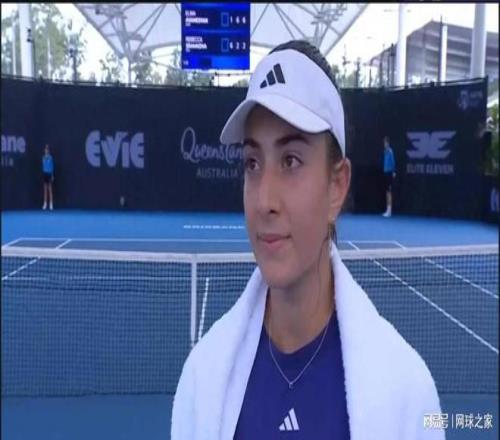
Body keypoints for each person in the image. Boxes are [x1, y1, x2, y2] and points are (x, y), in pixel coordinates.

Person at [171, 40, 444, 439]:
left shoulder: (409, 392)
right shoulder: (201, 378)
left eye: (291, 161)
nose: (264, 201)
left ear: (337, 186)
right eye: (252, 163)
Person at [382, 135, 396, 217]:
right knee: (387, 192)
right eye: (384, 143)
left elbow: (393, 163)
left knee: (389, 192)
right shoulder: (385, 152)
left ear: (388, 143)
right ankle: (387, 209)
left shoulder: (390, 152)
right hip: (385, 173)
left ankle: (389, 210)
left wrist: (393, 172)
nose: (384, 144)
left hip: (390, 173)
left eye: (385, 143)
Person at [42, 144, 55, 210]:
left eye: (47, 150)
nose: (46, 151)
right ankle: (45, 203)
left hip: (49, 174)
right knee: (45, 190)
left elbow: (52, 167)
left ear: (48, 151)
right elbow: (43, 166)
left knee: (50, 189)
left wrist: (52, 175)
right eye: (45, 150)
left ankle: (51, 204)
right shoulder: (43, 157)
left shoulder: (51, 157)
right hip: (45, 174)